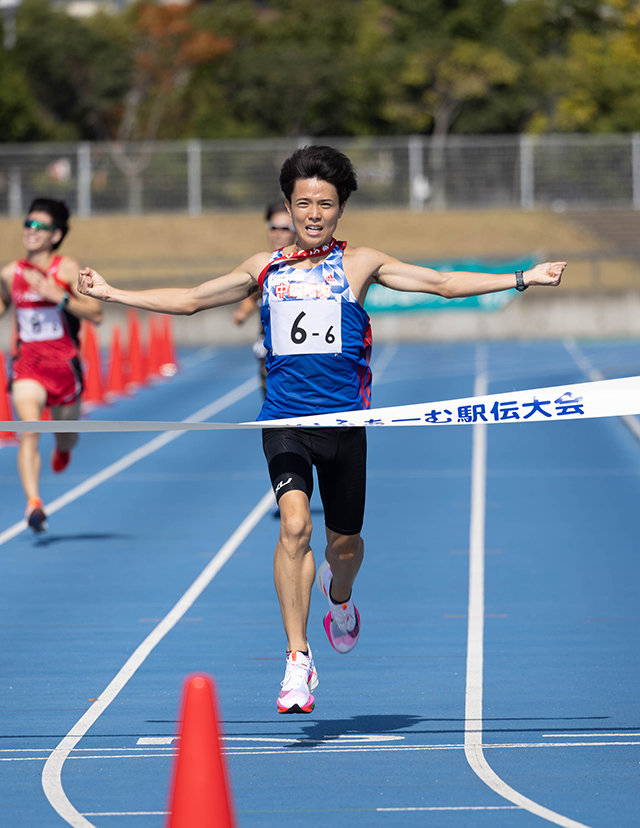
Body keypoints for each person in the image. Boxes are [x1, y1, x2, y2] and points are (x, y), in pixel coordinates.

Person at [77, 145, 566, 714]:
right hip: (284, 421)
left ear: (340, 210)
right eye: (304, 203)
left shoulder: (360, 263)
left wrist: (522, 277)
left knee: (345, 546)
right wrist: (111, 293)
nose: (313, 214)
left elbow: (440, 283)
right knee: (293, 529)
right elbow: (189, 300)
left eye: (326, 205)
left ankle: (340, 597)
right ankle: (297, 658)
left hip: (346, 427)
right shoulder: (264, 267)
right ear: (288, 205)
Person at [0, 198, 103, 533]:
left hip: (64, 366)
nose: (31, 232)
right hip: (28, 364)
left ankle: (63, 448)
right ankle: (33, 502)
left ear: (56, 235)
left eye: (39, 226)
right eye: (28, 224)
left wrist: (56, 295)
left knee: (66, 437)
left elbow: (96, 314)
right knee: (28, 430)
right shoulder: (9, 273)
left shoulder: (68, 269)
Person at [232, 200, 296, 398]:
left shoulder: (306, 264)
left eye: (284, 228)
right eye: (273, 228)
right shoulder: (262, 265)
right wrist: (242, 313)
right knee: (275, 408)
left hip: (300, 352)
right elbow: (252, 295)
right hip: (270, 351)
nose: (278, 233)